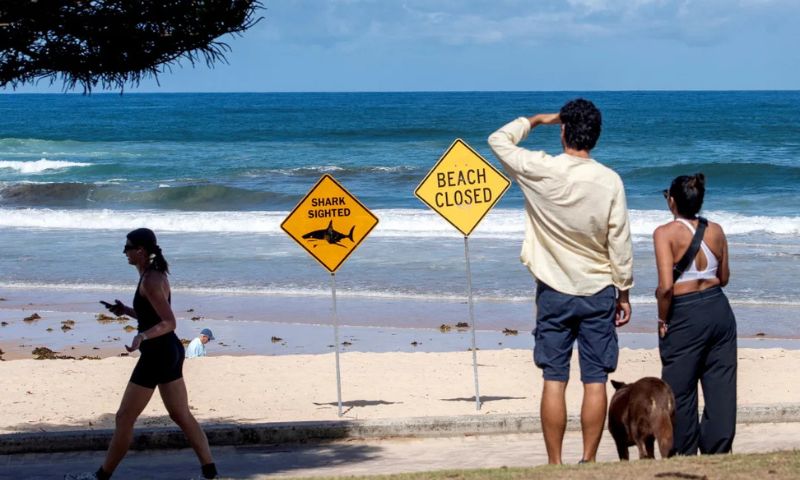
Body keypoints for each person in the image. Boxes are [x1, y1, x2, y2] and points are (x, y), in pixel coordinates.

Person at [488, 98, 633, 464]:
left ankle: (555, 464)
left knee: (555, 378)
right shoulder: (609, 180)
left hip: (553, 289)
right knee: (595, 378)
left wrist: (537, 120)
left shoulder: (541, 169)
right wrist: (625, 291)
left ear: (564, 130)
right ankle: (588, 460)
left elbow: (498, 140)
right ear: (596, 137)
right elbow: (619, 241)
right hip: (598, 289)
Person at [65, 228, 217, 480]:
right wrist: (126, 310)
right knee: (181, 414)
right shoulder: (149, 276)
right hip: (169, 352)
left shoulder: (150, 280)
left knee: (124, 417)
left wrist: (142, 336)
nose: (123, 252)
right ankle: (210, 474)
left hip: (158, 354)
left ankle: (100, 477)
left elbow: (169, 322)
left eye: (127, 247)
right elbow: (153, 316)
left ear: (141, 251)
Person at [654, 174, 736, 455]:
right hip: (718, 308)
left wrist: (663, 320)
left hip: (685, 312)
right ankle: (718, 450)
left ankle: (684, 450)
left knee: (680, 388)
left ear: (672, 201)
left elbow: (666, 288)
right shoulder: (716, 230)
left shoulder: (664, 233)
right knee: (721, 385)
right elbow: (723, 277)